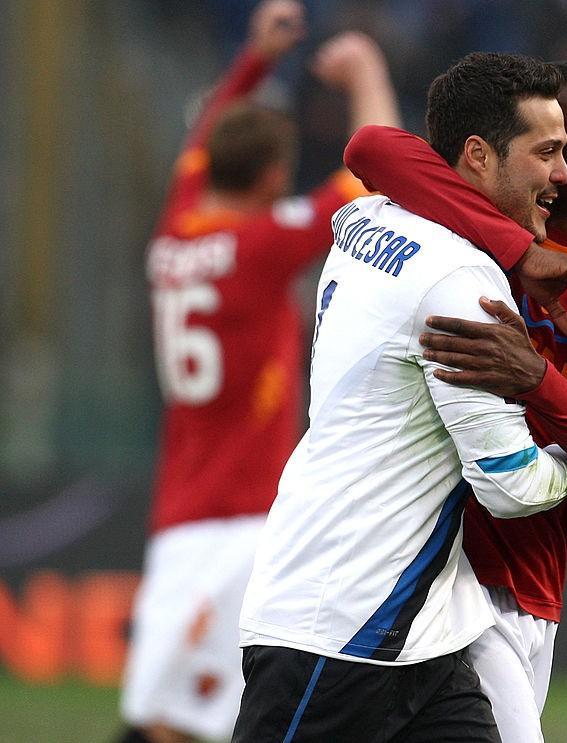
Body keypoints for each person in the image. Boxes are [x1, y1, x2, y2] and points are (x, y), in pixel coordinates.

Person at [231, 52, 567, 743]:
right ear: (479, 156)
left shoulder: (366, 218)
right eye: (546, 152)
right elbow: (511, 484)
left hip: (423, 639)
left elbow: (385, 154)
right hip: (336, 632)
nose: (563, 175)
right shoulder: (461, 285)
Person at [344, 61, 567, 742]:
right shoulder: (472, 231)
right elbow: (369, 149)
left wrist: (536, 376)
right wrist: (521, 252)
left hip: (539, 583)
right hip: (448, 571)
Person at [117, 3, 404, 742]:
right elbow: (375, 177)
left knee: (160, 716)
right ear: (274, 175)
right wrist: (366, 72)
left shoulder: (175, 225)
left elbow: (204, 128)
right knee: (237, 714)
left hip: (179, 514)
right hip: (251, 516)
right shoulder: (259, 245)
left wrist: (253, 59)